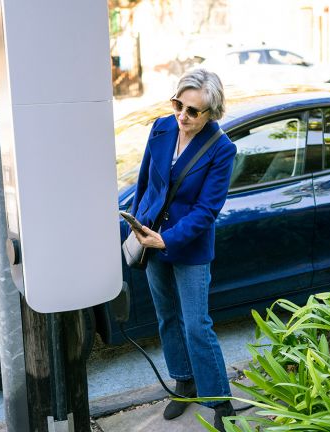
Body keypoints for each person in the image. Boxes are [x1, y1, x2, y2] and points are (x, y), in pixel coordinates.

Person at [130, 68, 237, 431]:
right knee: (167, 318)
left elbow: (207, 210)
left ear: (212, 113)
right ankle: (183, 383)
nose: (183, 116)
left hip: (187, 247)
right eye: (179, 104)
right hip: (150, 238)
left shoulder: (221, 149)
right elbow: (145, 182)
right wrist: (137, 224)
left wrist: (169, 239)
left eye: (193, 111)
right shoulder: (161, 128)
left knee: (197, 325)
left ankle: (220, 400)